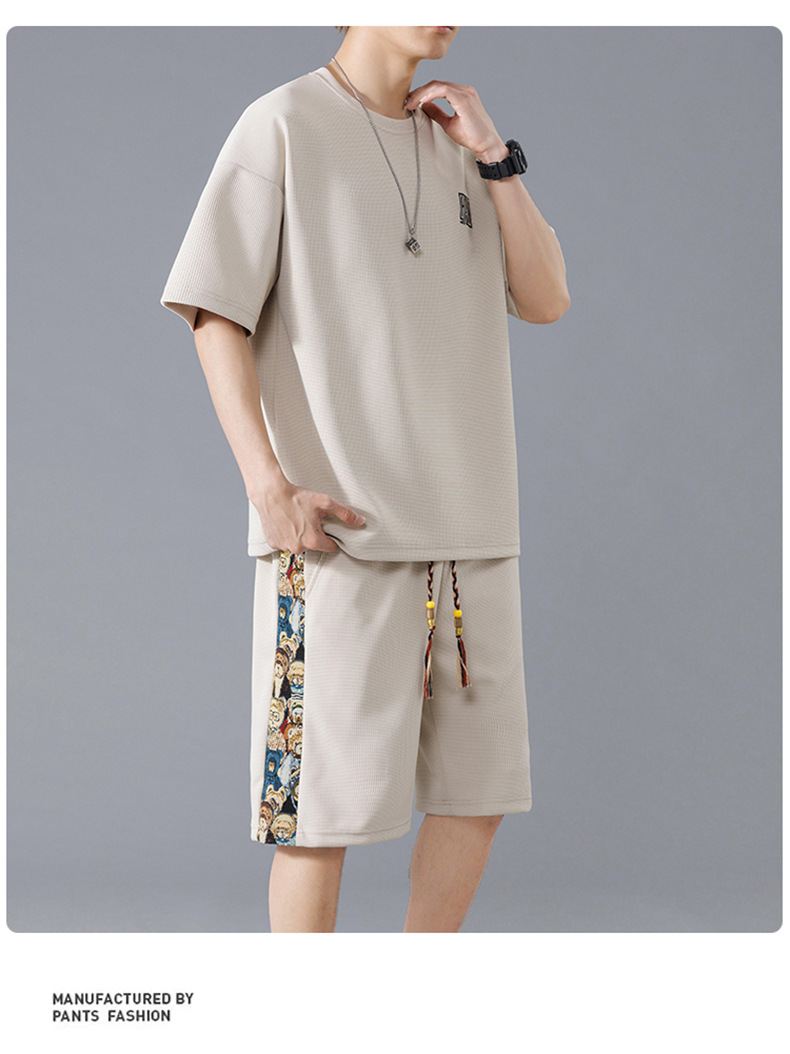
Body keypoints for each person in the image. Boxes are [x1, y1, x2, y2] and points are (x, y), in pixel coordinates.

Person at [160, 25, 570, 933]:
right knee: (317, 820)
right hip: (341, 541)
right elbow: (213, 311)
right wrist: (267, 487)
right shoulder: (281, 123)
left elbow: (546, 299)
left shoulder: (464, 143)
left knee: (479, 799)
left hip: (472, 536)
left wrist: (495, 157)